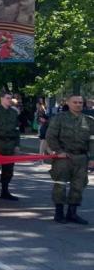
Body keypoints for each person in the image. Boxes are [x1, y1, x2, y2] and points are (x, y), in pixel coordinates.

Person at [45, 94, 94, 224]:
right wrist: (59, 151)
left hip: (81, 158)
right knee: (60, 184)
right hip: (64, 158)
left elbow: (92, 141)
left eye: (80, 102)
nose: (78, 104)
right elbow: (50, 136)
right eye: (75, 102)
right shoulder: (60, 118)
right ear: (68, 103)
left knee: (78, 186)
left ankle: (72, 213)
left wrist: (92, 158)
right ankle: (59, 213)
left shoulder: (89, 120)